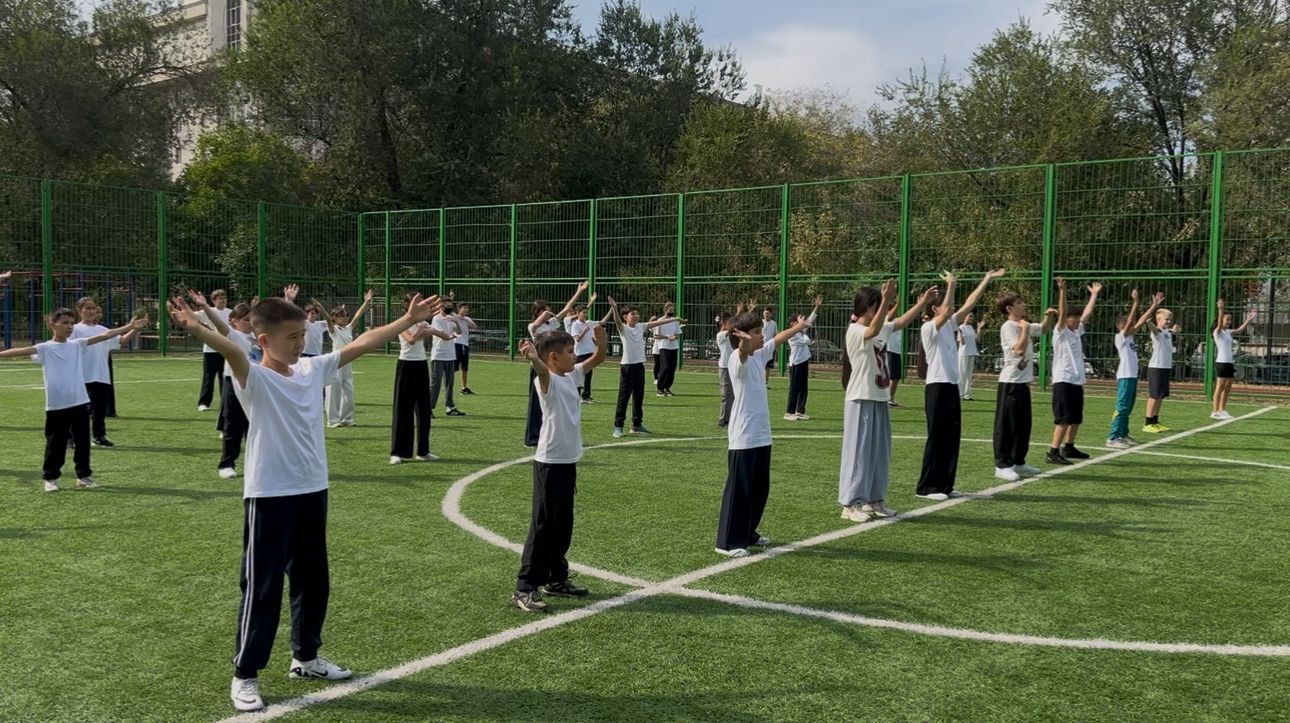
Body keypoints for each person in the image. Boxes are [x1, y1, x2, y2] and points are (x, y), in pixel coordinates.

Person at [169, 290, 440, 713]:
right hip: (269, 496)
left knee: (313, 581)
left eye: (303, 334)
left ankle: (306, 657)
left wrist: (407, 321)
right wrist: (196, 326)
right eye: (292, 336)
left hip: (313, 490)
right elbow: (230, 347)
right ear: (264, 341)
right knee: (262, 587)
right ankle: (245, 673)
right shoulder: (253, 376)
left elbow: (362, 342)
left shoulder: (312, 369)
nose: (300, 343)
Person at [511, 323, 609, 612]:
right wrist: (533, 358)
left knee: (563, 524)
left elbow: (598, 359)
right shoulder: (547, 379)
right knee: (542, 526)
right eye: (569, 351)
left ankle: (556, 578)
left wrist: (601, 344)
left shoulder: (571, 374)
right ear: (553, 357)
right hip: (550, 463)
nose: (575, 355)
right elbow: (542, 372)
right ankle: (525, 588)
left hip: (568, 462)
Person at [0, 308, 147, 491]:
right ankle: (51, 478)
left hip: (79, 403)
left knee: (83, 444)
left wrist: (129, 327)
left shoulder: (77, 344)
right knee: (56, 445)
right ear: (52, 324)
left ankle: (84, 476)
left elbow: (106, 335)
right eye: (64, 323)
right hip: (56, 406)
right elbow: (19, 351)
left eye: (71, 323)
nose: (69, 327)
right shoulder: (45, 348)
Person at [714, 309, 811, 557]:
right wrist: (745, 345)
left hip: (761, 435)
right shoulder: (738, 357)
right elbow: (744, 353)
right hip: (743, 437)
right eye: (757, 332)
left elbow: (778, 339)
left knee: (759, 489)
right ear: (742, 336)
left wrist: (800, 327)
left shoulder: (759, 355)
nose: (763, 335)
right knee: (739, 490)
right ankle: (727, 542)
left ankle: (748, 533)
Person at [840, 281, 934, 522]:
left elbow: (900, 322)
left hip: (879, 397)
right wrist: (885, 299)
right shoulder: (856, 330)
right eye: (876, 305)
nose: (880, 308)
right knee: (859, 452)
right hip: (860, 397)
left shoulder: (879, 327)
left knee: (880, 453)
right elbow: (871, 331)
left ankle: (874, 499)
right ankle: (851, 504)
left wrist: (921, 303)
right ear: (866, 306)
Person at [916, 269, 1005, 500]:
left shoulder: (950, 325)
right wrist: (952, 285)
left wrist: (986, 279)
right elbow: (947, 310)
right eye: (944, 305)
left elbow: (969, 303)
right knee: (937, 437)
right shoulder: (928, 328)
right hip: (936, 386)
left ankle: (945, 485)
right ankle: (927, 487)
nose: (952, 308)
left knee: (951, 437)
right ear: (934, 309)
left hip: (951, 386)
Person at [993, 288, 1059, 482]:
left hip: (1023, 383)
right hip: (1010, 382)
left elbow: (1044, 329)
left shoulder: (1025, 324)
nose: (1024, 305)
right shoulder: (1009, 327)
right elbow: (1019, 349)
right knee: (1006, 425)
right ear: (1009, 308)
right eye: (1020, 303)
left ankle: (1018, 462)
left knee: (1023, 424)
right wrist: (1024, 329)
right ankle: (1002, 465)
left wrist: (1048, 317)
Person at [1046, 278, 1102, 465]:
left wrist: (1093, 295)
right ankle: (1053, 451)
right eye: (1074, 318)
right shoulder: (1060, 331)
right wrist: (1062, 290)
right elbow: (1062, 313)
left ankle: (1069, 446)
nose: (1078, 321)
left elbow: (1087, 313)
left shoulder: (1077, 331)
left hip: (1076, 380)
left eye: (1078, 318)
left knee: (1076, 417)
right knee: (1064, 418)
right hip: (1064, 380)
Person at [71, 296, 141, 447]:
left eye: (93, 308)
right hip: (81, 375)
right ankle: (72, 438)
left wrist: (135, 328)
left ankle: (99, 436)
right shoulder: (75, 329)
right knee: (78, 409)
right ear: (79, 310)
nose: (91, 311)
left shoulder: (103, 329)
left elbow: (120, 341)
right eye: (87, 308)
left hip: (101, 374)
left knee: (100, 409)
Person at [525, 284, 588, 447]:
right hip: (539, 367)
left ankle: (545, 435)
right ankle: (531, 438)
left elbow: (567, 307)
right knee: (535, 403)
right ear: (538, 312)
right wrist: (544, 313)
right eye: (544, 311)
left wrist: (579, 291)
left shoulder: (551, 324)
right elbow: (535, 324)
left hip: (553, 367)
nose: (549, 314)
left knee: (551, 404)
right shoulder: (534, 327)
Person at [606, 296, 674, 438]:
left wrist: (675, 319)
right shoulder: (623, 328)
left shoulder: (641, 326)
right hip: (627, 367)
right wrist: (614, 308)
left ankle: (636, 425)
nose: (636, 316)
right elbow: (617, 321)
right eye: (633, 314)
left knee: (639, 396)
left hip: (639, 366)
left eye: (637, 313)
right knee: (624, 397)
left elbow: (656, 322)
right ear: (626, 317)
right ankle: (618, 426)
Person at [1107, 290, 1163, 449]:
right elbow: (1133, 319)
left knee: (1128, 407)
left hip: (1131, 376)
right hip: (1125, 376)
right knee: (1122, 406)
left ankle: (1123, 434)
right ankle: (1113, 436)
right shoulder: (1121, 337)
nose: (1133, 326)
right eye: (1129, 325)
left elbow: (1141, 320)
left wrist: (1153, 306)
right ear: (1122, 327)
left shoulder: (1130, 337)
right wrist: (1136, 303)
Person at [391, 294, 436, 464]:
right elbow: (410, 340)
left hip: (421, 364)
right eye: (416, 302)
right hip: (406, 365)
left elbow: (435, 333)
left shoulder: (423, 320)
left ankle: (423, 450)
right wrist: (420, 330)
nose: (420, 304)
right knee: (403, 409)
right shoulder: (402, 322)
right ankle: (397, 452)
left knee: (424, 409)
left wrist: (443, 332)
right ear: (408, 305)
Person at [322, 290, 373, 427]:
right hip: (336, 362)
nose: (346, 317)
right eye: (342, 316)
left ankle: (347, 419)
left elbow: (358, 315)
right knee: (334, 391)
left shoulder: (348, 328)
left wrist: (366, 302)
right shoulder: (334, 330)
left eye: (346, 315)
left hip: (347, 363)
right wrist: (321, 308)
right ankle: (332, 420)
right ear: (335, 318)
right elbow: (327, 319)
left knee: (348, 391)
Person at [1211, 298, 1256, 420]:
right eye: (1227, 319)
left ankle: (1222, 409)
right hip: (1221, 362)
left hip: (1229, 362)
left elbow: (1240, 330)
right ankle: (1214, 411)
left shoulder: (1228, 332)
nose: (1229, 322)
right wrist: (1220, 309)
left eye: (1230, 320)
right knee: (1219, 387)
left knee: (1228, 386)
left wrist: (1248, 319)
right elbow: (1220, 324)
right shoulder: (1218, 332)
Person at [1143, 307, 1181, 433]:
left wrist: (1174, 330)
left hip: (1165, 367)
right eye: (1166, 319)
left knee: (1160, 396)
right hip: (1156, 368)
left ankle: (1155, 420)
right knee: (1154, 396)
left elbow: (1170, 331)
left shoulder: (1167, 332)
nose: (1169, 321)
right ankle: (1147, 422)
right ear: (1158, 320)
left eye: (1170, 320)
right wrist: (1149, 323)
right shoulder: (1158, 332)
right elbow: (1154, 330)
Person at [784, 296, 822, 420]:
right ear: (792, 323)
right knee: (794, 387)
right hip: (795, 363)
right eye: (798, 321)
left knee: (803, 387)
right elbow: (807, 341)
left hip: (804, 362)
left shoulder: (801, 331)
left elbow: (811, 319)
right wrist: (802, 328)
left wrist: (817, 306)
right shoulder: (792, 334)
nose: (802, 322)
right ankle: (789, 412)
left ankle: (800, 410)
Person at [566, 301, 612, 403]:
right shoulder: (575, 325)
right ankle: (575, 396)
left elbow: (603, 322)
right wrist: (585, 330)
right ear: (578, 314)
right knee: (577, 375)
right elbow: (577, 339)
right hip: (579, 353)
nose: (585, 315)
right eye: (584, 313)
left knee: (588, 375)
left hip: (589, 352)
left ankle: (586, 396)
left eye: (586, 313)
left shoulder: (590, 323)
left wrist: (612, 309)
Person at [196, 289, 233, 412]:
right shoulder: (208, 311)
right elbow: (193, 316)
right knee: (208, 377)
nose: (223, 300)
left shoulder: (231, 313)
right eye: (220, 298)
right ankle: (204, 403)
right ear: (213, 300)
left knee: (225, 376)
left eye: (224, 298)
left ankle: (224, 402)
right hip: (210, 350)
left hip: (226, 349)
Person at [428, 300, 465, 417]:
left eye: (451, 306)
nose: (449, 308)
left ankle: (450, 407)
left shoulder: (451, 318)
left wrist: (456, 322)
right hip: (438, 355)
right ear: (441, 306)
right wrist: (451, 336)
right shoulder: (436, 319)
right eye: (447, 306)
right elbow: (442, 335)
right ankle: (428, 408)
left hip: (450, 355)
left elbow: (459, 332)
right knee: (435, 384)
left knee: (450, 383)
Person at [654, 303, 685, 396]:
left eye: (673, 310)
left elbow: (678, 334)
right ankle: (660, 388)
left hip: (673, 346)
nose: (671, 312)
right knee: (665, 367)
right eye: (670, 310)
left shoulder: (674, 321)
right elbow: (656, 336)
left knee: (672, 368)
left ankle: (667, 387)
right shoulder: (659, 321)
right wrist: (666, 336)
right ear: (665, 310)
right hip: (663, 346)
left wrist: (674, 337)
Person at [715, 309, 736, 428]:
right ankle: (723, 421)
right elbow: (730, 330)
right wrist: (738, 312)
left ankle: (731, 419)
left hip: (733, 367)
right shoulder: (720, 335)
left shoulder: (731, 334)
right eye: (729, 321)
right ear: (723, 323)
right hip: (725, 367)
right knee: (727, 395)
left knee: (734, 395)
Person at [956, 313, 984, 400]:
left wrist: (979, 328)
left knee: (969, 375)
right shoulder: (960, 327)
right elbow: (961, 342)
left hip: (972, 353)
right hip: (963, 353)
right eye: (970, 316)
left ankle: (967, 395)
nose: (972, 318)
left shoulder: (971, 328)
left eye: (972, 316)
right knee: (962, 374)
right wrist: (960, 335)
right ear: (965, 317)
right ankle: (960, 394)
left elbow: (977, 339)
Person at [453, 300, 478, 395]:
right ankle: (448, 385)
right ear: (459, 309)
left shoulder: (467, 319)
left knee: (465, 368)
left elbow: (474, 327)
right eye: (464, 308)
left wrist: (466, 320)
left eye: (467, 308)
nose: (466, 310)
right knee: (454, 368)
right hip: (457, 344)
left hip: (465, 345)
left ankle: (464, 388)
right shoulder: (455, 317)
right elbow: (451, 313)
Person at [886, 306, 904, 407]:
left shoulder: (897, 320)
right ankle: (888, 398)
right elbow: (889, 317)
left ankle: (891, 398)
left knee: (896, 377)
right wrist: (898, 304)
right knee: (892, 376)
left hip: (896, 351)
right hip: (890, 350)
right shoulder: (886, 320)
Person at [761, 308, 778, 385]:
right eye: (765, 313)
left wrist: (776, 347)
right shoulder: (761, 323)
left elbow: (775, 335)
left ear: (771, 314)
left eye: (767, 313)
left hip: (770, 348)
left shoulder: (774, 324)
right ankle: (759, 382)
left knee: (768, 367)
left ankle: (765, 383)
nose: (766, 315)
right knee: (760, 366)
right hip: (761, 347)